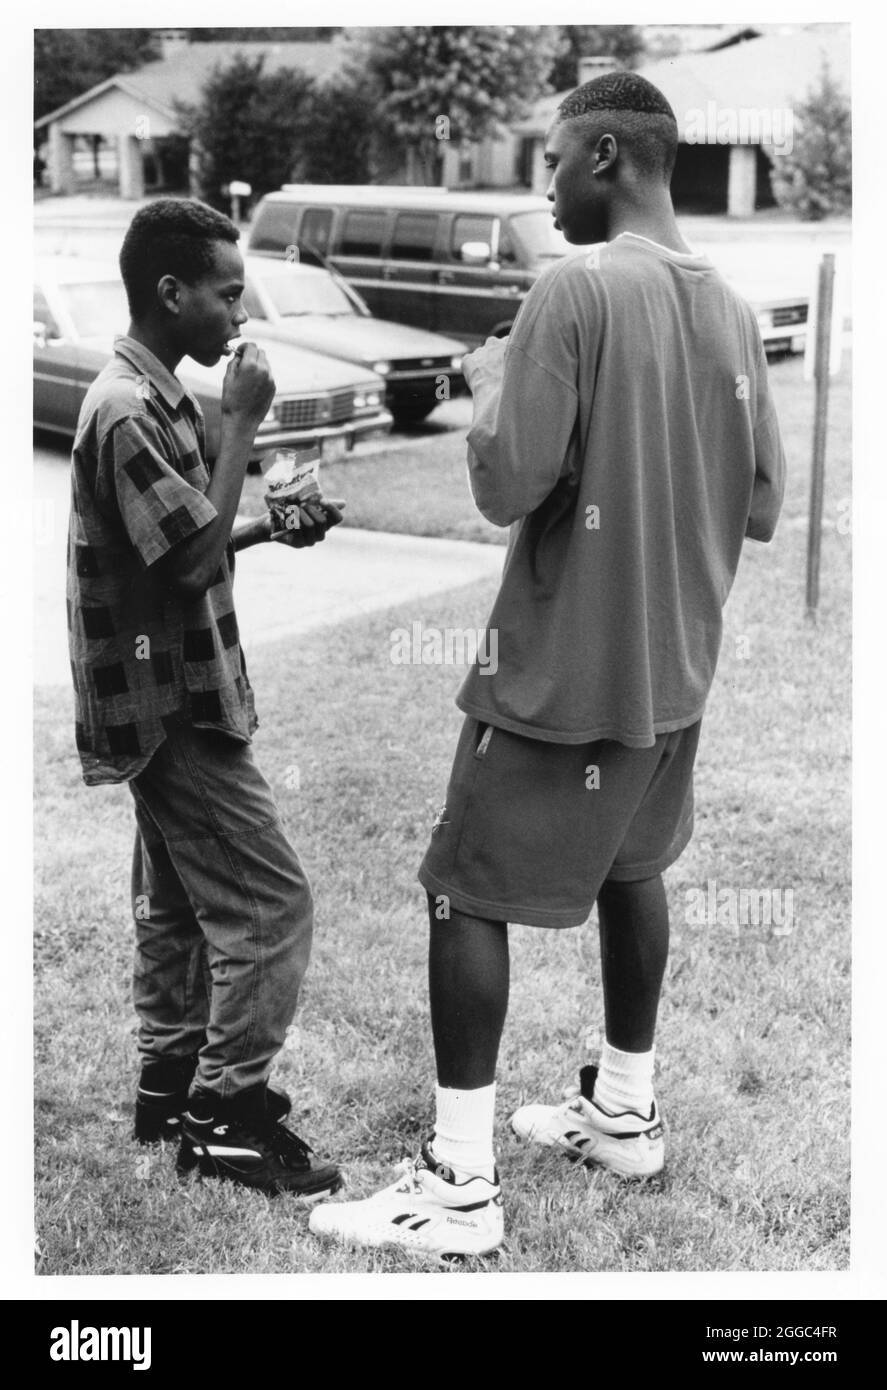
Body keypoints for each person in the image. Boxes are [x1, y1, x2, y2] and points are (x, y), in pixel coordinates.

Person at [309, 72, 786, 1257]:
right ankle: (624, 1109)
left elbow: (501, 481)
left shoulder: (570, 289)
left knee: (461, 889)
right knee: (633, 871)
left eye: (556, 161)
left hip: (557, 675)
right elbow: (766, 503)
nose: (545, 184)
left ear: (611, 155)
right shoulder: (725, 302)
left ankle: (456, 1185)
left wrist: (487, 384)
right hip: (672, 671)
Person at [67, 197, 344, 1198]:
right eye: (228, 294)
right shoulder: (129, 408)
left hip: (170, 688)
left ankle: (168, 1078)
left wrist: (274, 524)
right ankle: (223, 1115)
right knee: (271, 903)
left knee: (181, 904)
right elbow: (185, 562)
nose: (240, 313)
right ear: (170, 293)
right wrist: (245, 423)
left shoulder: (151, 394)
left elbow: (183, 538)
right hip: (169, 704)